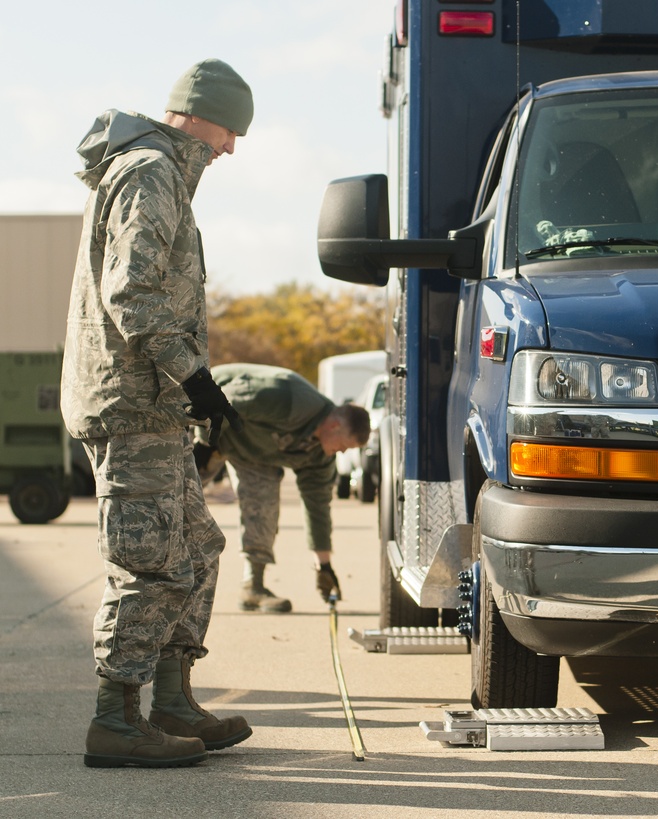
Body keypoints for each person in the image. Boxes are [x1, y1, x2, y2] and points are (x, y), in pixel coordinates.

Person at [61, 59, 255, 769]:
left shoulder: (158, 170)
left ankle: (172, 702)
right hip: (132, 405)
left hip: (156, 405)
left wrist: (191, 393)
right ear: (200, 115)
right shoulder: (150, 171)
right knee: (148, 564)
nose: (231, 147)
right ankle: (116, 719)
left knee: (196, 549)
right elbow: (133, 293)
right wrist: (195, 378)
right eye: (230, 130)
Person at [193, 363, 371, 613]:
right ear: (334, 426)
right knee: (174, 499)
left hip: (253, 454)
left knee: (264, 506)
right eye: (344, 445)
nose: (342, 452)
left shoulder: (321, 456)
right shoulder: (289, 398)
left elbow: (317, 508)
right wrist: (202, 445)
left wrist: (324, 566)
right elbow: (223, 399)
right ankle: (153, 575)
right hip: (205, 419)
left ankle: (253, 587)